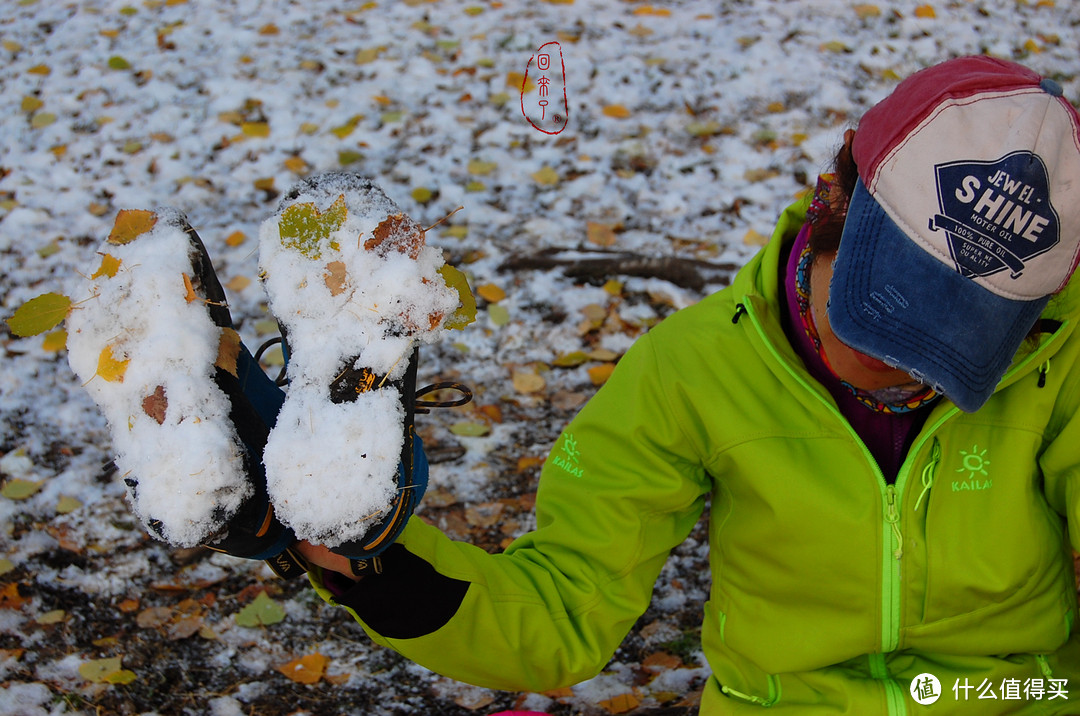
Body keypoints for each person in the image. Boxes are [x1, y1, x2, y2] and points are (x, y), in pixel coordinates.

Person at [73, 55, 1080, 714]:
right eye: (890, 305)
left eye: (965, 332)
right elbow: (561, 617)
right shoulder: (698, 371)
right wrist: (376, 568)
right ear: (833, 201)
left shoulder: (1059, 366)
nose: (912, 362)